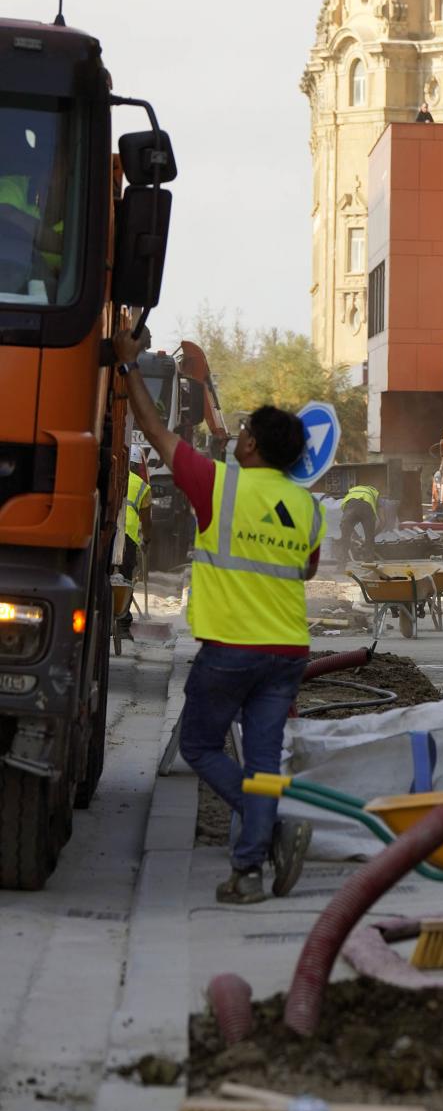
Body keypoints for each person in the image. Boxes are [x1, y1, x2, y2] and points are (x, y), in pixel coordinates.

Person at [114, 327, 321, 906]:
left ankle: (271, 832)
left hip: (232, 648)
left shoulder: (216, 484)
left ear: (251, 447)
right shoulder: (306, 506)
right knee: (262, 763)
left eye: (245, 432)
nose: (239, 437)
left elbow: (155, 431)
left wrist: (130, 369)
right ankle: (249, 873)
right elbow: (304, 571)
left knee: (203, 747)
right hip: (287, 655)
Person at [115, 445, 152, 629]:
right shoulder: (143, 487)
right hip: (129, 537)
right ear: (138, 466)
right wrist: (146, 540)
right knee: (126, 577)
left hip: (111, 531)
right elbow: (146, 521)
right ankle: (122, 622)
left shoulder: (116, 476)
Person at [339, 480, 380, 564]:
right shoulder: (374, 493)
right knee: (370, 539)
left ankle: (341, 566)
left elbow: (345, 525)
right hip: (366, 508)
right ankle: (369, 564)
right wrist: (369, 537)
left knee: (345, 538)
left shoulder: (352, 491)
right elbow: (383, 520)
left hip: (350, 507)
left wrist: (355, 536)